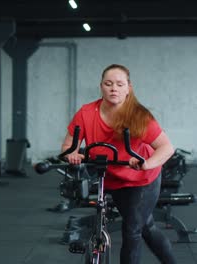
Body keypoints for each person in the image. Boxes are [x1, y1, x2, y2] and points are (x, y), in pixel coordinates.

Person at [62, 64, 176, 264]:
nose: (113, 88)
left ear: (128, 88)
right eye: (108, 84)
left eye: (119, 84)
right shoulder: (86, 113)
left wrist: (146, 164)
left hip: (142, 179)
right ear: (101, 87)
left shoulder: (139, 116)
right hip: (113, 178)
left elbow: (167, 148)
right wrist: (72, 154)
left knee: (132, 229)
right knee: (145, 226)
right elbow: (68, 145)